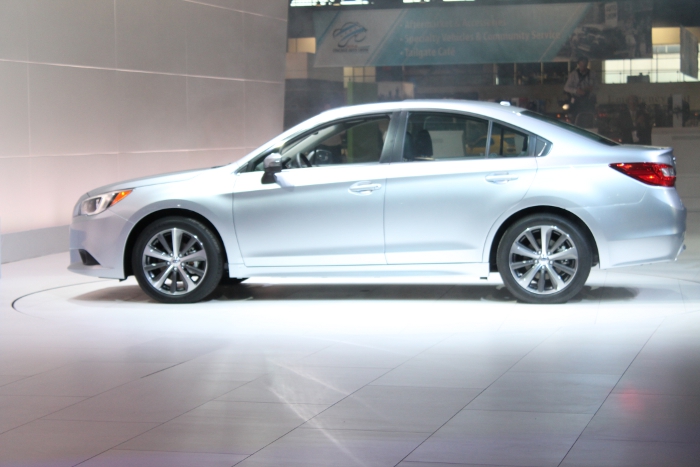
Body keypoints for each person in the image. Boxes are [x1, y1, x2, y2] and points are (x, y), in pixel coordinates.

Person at [564, 57, 597, 126]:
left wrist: (591, 89)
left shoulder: (592, 74)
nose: (583, 68)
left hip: (588, 101)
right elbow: (566, 88)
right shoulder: (573, 74)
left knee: (589, 118)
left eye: (584, 66)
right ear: (578, 64)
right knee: (574, 118)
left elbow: (597, 87)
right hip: (576, 101)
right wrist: (576, 91)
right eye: (581, 66)